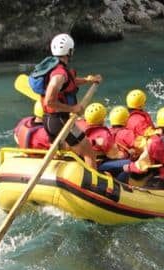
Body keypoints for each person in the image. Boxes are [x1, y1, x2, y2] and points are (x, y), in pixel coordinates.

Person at [41, 33, 102, 169]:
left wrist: (87, 80)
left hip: (48, 120)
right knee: (89, 152)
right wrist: (73, 109)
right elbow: (49, 101)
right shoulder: (59, 74)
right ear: (69, 51)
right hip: (60, 121)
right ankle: (93, 187)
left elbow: (69, 83)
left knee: (63, 150)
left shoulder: (53, 67)